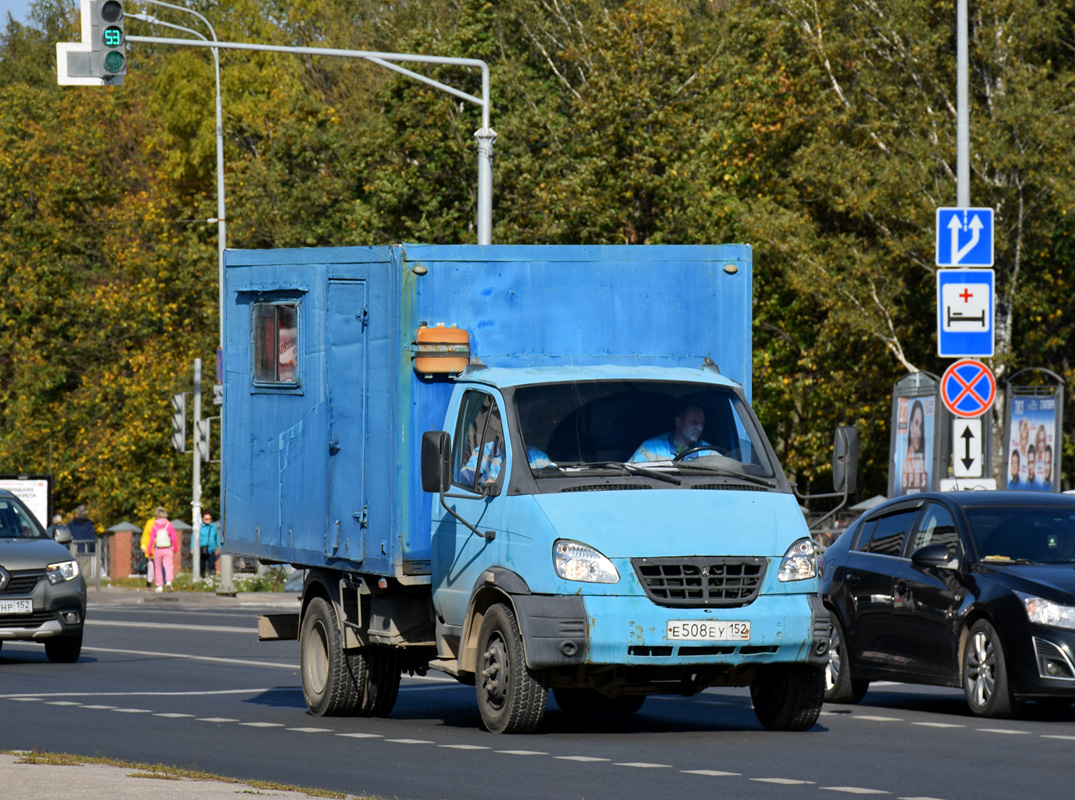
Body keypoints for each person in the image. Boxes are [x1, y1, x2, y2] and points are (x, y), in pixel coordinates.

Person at [629, 403, 713, 462]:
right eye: (694, 422)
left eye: (702, 424)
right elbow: (630, 476)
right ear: (678, 422)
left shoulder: (707, 451)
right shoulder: (652, 448)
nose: (700, 429)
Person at [146, 507, 179, 592]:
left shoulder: (154, 526)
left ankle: (159, 586)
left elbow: (151, 540)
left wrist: (149, 551)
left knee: (158, 568)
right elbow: (174, 538)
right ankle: (168, 581)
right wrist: (175, 548)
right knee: (168, 566)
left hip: (158, 549)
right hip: (168, 549)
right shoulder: (169, 525)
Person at [900, 400, 927, 493]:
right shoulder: (904, 463)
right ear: (910, 426)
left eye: (921, 426)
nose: (919, 433)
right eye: (916, 423)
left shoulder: (924, 463)